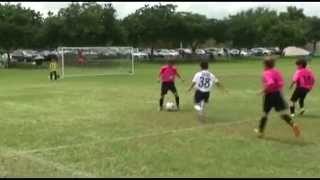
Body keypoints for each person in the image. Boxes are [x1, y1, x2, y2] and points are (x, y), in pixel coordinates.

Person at [254, 57, 300, 138]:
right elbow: (281, 83)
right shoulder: (276, 71)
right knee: (282, 114)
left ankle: (260, 132)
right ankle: (293, 124)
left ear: (265, 64)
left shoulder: (266, 73)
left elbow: (270, 83)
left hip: (269, 95)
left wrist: (263, 91)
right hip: (277, 94)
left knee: (265, 114)